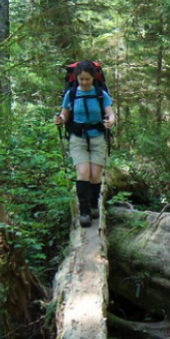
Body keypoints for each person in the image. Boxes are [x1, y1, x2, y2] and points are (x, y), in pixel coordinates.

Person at [54, 61, 115, 227]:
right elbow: (65, 114)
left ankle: (94, 204)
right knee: (83, 173)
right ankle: (84, 211)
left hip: (97, 137)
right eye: (81, 79)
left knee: (95, 175)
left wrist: (110, 122)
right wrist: (60, 120)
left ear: (93, 77)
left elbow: (110, 114)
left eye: (87, 79)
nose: (84, 82)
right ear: (77, 78)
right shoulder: (71, 94)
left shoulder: (101, 94)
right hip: (77, 137)